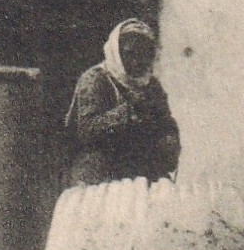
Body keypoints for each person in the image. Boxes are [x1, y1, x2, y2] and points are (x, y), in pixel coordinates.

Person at [64, 18, 181, 186]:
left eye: (143, 55)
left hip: (141, 173)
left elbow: (165, 123)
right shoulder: (96, 79)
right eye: (129, 53)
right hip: (100, 174)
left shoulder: (152, 86)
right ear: (116, 52)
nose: (136, 62)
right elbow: (87, 129)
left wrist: (169, 141)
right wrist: (128, 112)